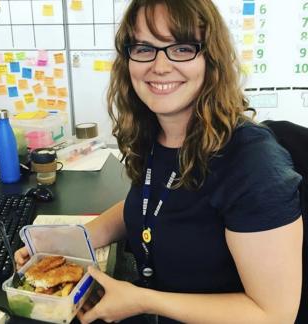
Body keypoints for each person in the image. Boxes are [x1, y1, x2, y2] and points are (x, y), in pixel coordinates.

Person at [16, 0, 304, 323]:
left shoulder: (253, 165)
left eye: (181, 48)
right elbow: (148, 205)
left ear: (211, 57)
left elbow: (275, 314)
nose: (160, 66)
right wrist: (69, 241)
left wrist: (143, 301)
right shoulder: (155, 131)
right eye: (144, 48)